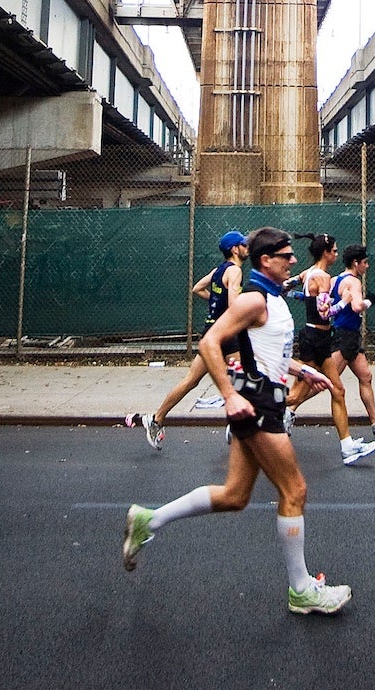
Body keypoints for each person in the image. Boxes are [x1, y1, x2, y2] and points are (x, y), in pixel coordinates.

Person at [121, 228, 350, 616]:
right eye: (286, 256)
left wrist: (300, 370)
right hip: (257, 405)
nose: (293, 261)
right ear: (266, 261)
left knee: (235, 495)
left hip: (264, 401)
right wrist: (229, 395)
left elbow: (266, 352)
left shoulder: (273, 300)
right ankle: (301, 590)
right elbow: (209, 343)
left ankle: (148, 520)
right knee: (294, 489)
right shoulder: (253, 300)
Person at [129, 230, 250, 448]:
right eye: (244, 244)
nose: (247, 247)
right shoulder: (235, 272)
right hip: (226, 334)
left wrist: (216, 302)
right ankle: (236, 425)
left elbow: (197, 288)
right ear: (235, 249)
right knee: (243, 376)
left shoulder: (218, 271)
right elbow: (234, 305)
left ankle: (156, 419)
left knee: (192, 381)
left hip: (210, 333)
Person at [285, 233, 375, 465]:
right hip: (315, 338)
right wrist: (345, 300)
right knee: (296, 393)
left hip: (319, 338)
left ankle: (347, 446)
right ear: (325, 253)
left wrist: (292, 292)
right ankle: (252, 414)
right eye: (334, 251)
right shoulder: (323, 277)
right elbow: (326, 312)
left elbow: (287, 286)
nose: (337, 254)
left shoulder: (308, 273)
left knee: (338, 390)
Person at [324, 245, 375, 443]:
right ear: (355, 263)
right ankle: (289, 409)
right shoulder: (354, 281)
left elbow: (330, 305)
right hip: (345, 337)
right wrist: (370, 301)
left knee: (365, 376)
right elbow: (357, 306)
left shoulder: (335, 280)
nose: (367, 266)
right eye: (364, 262)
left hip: (348, 336)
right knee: (325, 382)